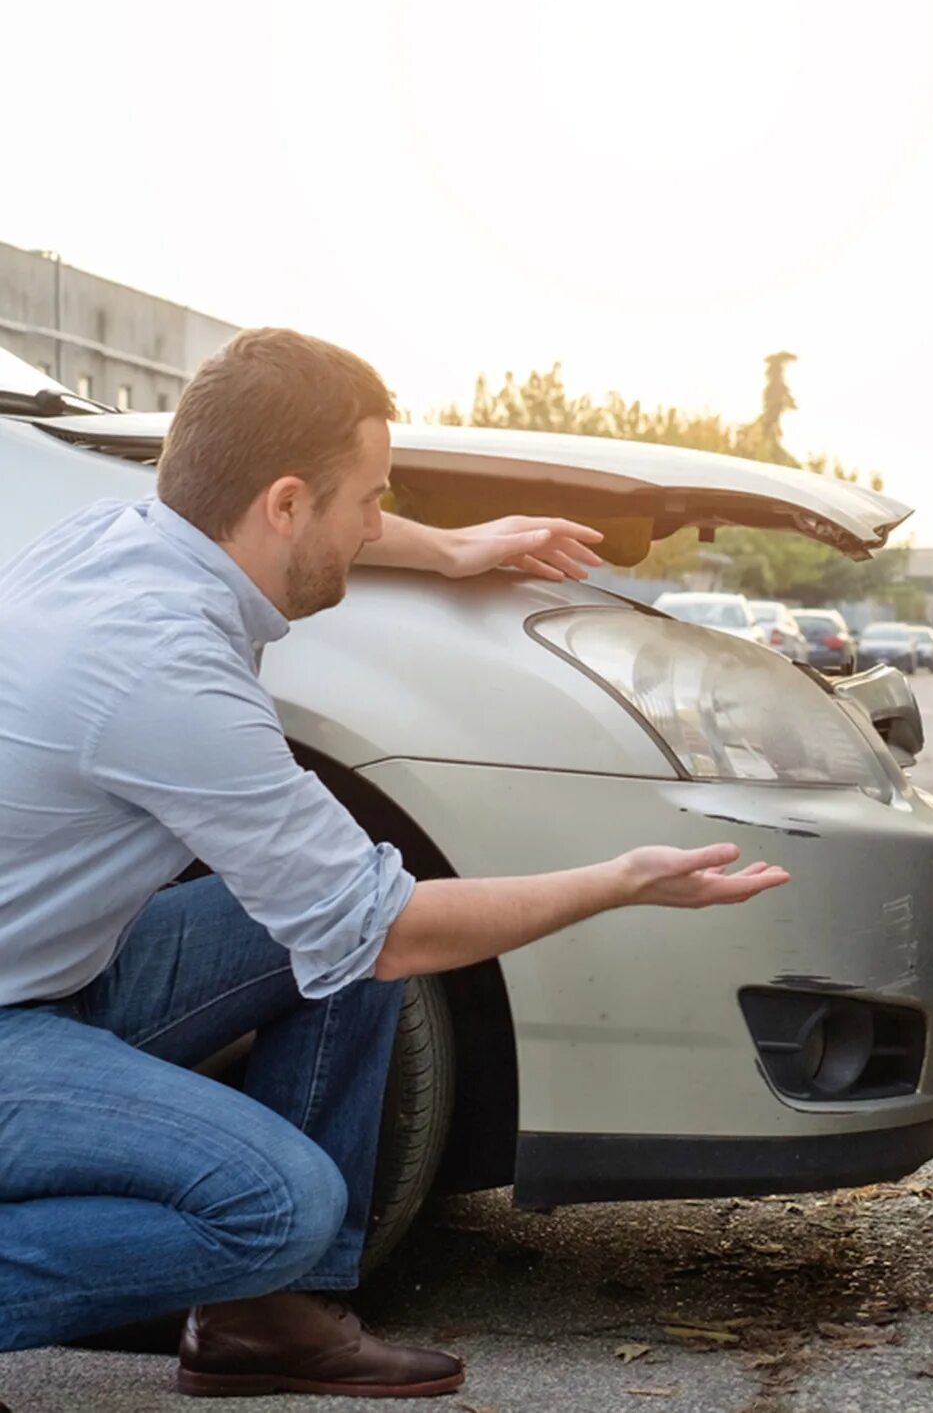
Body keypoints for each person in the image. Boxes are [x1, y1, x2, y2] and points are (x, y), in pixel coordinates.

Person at [0, 329, 791, 1398]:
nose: (378, 522)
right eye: (369, 501)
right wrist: (619, 882)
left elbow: (349, 927)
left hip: (54, 981)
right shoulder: (161, 665)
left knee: (328, 920)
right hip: (15, 1027)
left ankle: (263, 1325)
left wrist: (451, 549)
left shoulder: (120, 537)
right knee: (279, 1201)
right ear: (285, 503)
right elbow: (387, 932)